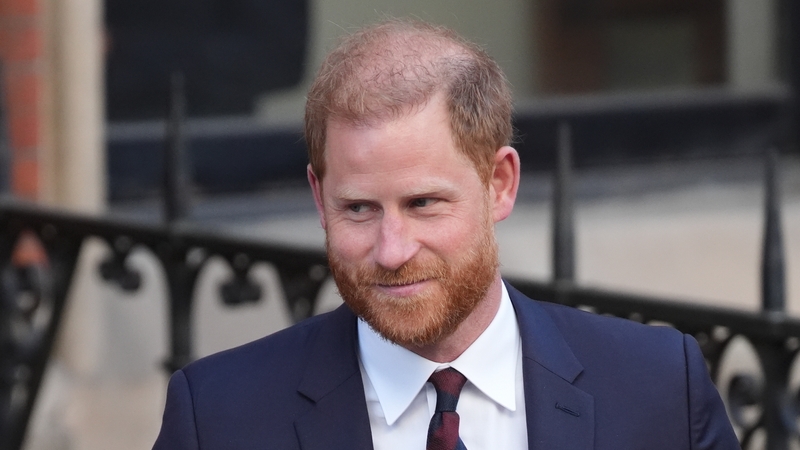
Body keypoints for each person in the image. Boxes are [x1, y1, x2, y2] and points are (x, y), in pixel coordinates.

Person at [153, 19, 739, 450]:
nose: (392, 250)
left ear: (499, 184)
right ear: (318, 198)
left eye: (424, 203)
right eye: (358, 208)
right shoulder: (219, 418)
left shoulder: (658, 388)